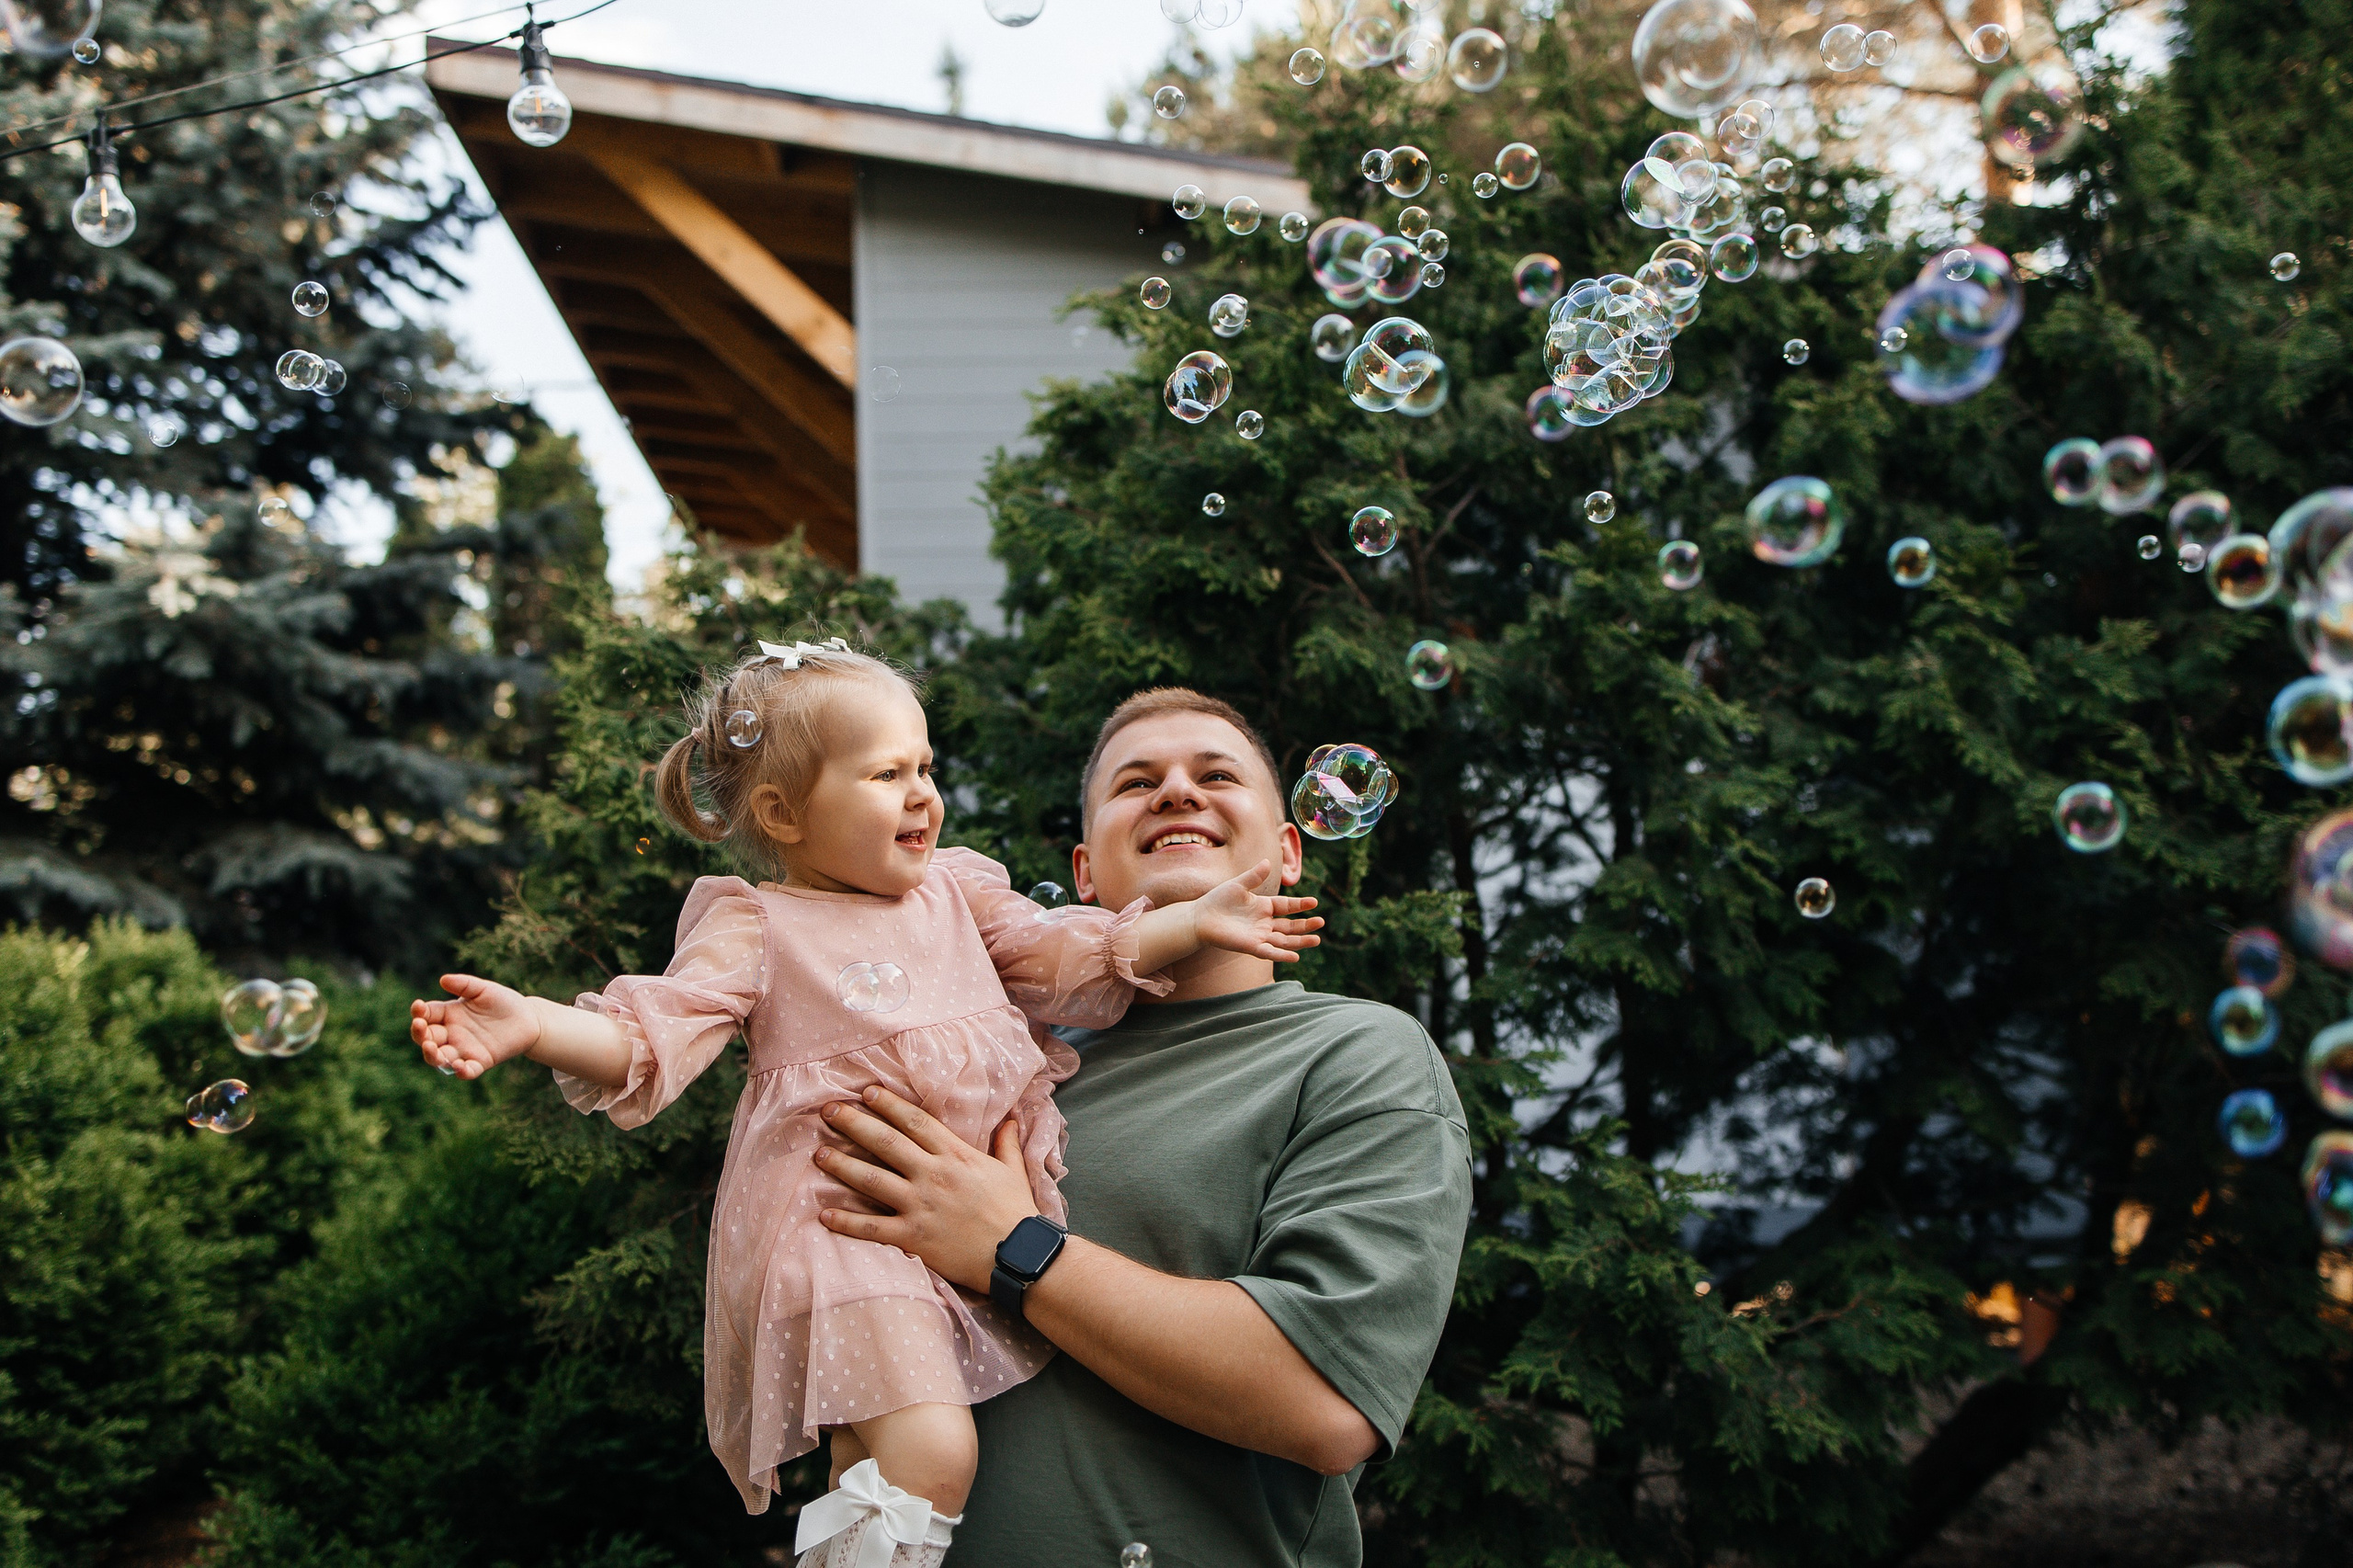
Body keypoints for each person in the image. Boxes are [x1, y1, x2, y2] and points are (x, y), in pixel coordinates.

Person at [406, 645, 1324, 1568]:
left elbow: (1062, 957)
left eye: (925, 767)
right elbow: (648, 1035)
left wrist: (1192, 922)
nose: (921, 792)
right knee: (933, 1450)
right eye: (887, 772)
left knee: (875, 1462)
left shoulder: (957, 891)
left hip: (951, 1227)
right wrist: (533, 1023)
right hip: (844, 1227)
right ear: (782, 812)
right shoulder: (757, 925)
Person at [812, 688, 1474, 1567]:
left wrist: (1015, 1246)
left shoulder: (1359, 1055)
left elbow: (1325, 1402)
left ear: (1287, 853)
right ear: (1086, 877)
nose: (1174, 792)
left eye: (1216, 774)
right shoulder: (996, 1062)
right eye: (1136, 782)